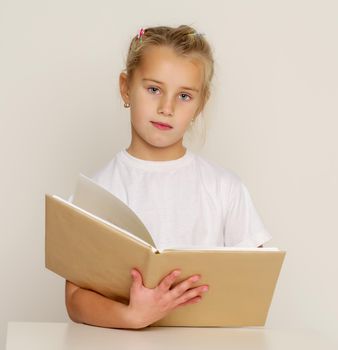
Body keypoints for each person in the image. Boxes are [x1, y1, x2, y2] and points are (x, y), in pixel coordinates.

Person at [65, 25, 272, 329]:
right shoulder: (96, 192)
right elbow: (75, 299)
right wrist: (132, 316)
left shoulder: (225, 188)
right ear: (125, 87)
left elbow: (252, 284)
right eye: (153, 89)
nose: (166, 108)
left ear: (201, 103)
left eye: (185, 96)